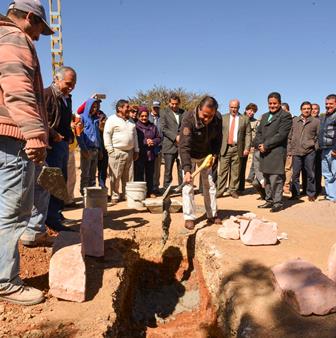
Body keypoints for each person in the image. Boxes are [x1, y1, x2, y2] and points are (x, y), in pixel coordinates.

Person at [0, 0, 53, 305]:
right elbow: (18, 87)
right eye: (38, 30)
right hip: (12, 139)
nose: (37, 37)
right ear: (29, 17)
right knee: (13, 213)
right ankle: (5, 281)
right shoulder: (15, 38)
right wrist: (34, 134)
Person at [179, 96, 223, 230]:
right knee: (188, 186)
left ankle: (212, 214)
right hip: (190, 154)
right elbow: (184, 146)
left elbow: (218, 139)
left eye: (210, 116)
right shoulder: (188, 119)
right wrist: (187, 170)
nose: (207, 119)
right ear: (199, 108)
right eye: (205, 115)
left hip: (206, 155)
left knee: (209, 184)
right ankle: (189, 217)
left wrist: (214, 155)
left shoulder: (217, 118)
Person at [44, 66, 77, 231]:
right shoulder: (46, 95)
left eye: (74, 84)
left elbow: (64, 120)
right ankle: (51, 219)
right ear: (56, 79)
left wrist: (69, 135)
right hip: (51, 145)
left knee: (61, 181)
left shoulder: (67, 98)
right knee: (52, 181)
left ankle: (57, 213)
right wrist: (53, 134)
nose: (71, 87)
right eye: (68, 83)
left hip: (62, 145)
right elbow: (40, 119)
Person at [255, 92, 292, 212]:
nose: (272, 105)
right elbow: (259, 132)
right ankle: (269, 200)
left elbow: (281, 135)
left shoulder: (285, 116)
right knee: (266, 178)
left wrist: (266, 145)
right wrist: (259, 144)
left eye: (275, 103)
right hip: (264, 152)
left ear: (280, 103)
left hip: (276, 152)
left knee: (276, 178)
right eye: (270, 103)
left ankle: (278, 202)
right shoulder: (265, 116)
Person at [104, 100, 139, 203]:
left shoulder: (131, 121)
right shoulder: (111, 119)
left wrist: (136, 150)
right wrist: (110, 150)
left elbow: (135, 136)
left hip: (130, 152)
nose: (129, 109)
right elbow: (107, 134)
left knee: (128, 176)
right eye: (127, 107)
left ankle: (126, 195)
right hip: (116, 151)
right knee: (115, 175)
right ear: (120, 108)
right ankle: (115, 195)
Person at [217, 99, 251, 199]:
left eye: (235, 107)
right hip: (225, 148)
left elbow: (248, 134)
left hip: (238, 148)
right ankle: (220, 190)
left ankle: (233, 190)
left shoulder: (244, 119)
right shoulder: (223, 118)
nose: (233, 109)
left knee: (235, 172)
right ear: (229, 107)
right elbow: (218, 134)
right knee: (222, 171)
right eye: (231, 107)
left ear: (239, 108)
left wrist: (247, 148)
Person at [288, 101, 319, 201]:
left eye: (308, 109)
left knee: (310, 173)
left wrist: (314, 147)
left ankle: (311, 194)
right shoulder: (295, 120)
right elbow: (289, 136)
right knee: (295, 174)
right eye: (304, 109)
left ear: (311, 110)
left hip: (310, 152)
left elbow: (319, 137)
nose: (306, 110)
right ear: (301, 110)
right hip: (296, 151)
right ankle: (295, 194)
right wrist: (290, 149)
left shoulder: (316, 121)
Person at [134, 107, 161, 197]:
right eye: (142, 116)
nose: (144, 118)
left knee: (150, 174)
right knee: (139, 174)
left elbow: (158, 137)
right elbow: (135, 139)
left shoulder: (153, 126)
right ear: (138, 116)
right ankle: (140, 193)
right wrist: (146, 141)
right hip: (140, 154)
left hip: (151, 154)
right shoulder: (135, 127)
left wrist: (153, 141)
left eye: (146, 116)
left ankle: (150, 191)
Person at [77, 98, 101, 195]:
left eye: (96, 107)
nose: (95, 109)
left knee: (92, 174)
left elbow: (98, 135)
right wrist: (83, 149)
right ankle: (84, 193)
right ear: (88, 107)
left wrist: (100, 150)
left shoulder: (95, 120)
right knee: (85, 174)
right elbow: (79, 135)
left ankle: (92, 194)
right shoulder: (82, 118)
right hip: (87, 149)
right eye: (93, 106)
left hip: (95, 150)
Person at [161, 94, 184, 189]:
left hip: (182, 146)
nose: (174, 106)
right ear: (169, 103)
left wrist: (182, 137)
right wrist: (175, 137)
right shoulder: (164, 113)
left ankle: (183, 188)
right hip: (169, 145)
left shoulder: (184, 113)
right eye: (172, 104)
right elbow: (163, 128)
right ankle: (167, 190)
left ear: (179, 103)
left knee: (182, 169)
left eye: (176, 104)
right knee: (168, 170)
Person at [319, 94, 336, 202]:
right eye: (326, 104)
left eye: (331, 103)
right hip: (324, 149)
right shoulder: (324, 116)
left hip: (333, 149)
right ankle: (331, 196)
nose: (328, 106)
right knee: (327, 174)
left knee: (335, 173)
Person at [239, 103, 259, 190]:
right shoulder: (239, 118)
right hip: (237, 146)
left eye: (253, 111)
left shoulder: (255, 122)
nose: (251, 112)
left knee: (243, 166)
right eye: (250, 110)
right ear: (246, 110)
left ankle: (241, 187)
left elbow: (256, 135)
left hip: (247, 147)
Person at [149, 101, 163, 194]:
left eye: (157, 107)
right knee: (149, 167)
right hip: (148, 146)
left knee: (157, 168)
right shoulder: (146, 116)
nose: (155, 109)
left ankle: (156, 187)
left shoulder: (162, 118)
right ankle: (148, 187)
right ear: (151, 107)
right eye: (154, 107)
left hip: (159, 146)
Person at [281, 102, 293, 195]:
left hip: (289, 147)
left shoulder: (293, 120)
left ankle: (286, 186)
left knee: (287, 168)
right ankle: (278, 186)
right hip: (278, 148)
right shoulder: (278, 120)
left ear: (288, 110)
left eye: (284, 110)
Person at [311, 103, 322, 196]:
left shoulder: (321, 120)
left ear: (319, 110)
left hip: (318, 150)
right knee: (307, 170)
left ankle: (317, 189)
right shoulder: (307, 120)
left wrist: (317, 147)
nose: (314, 110)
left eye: (316, 109)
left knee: (317, 170)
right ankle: (307, 189)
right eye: (312, 109)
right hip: (308, 150)